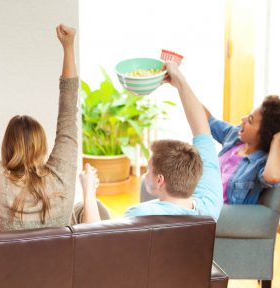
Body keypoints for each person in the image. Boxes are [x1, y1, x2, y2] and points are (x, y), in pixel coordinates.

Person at [0, 24, 78, 232]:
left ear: (6, 146)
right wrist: (68, 47)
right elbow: (68, 113)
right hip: (60, 264)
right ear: (42, 146)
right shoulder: (62, 175)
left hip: (9, 265)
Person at [80, 62, 223, 222]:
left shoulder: (140, 215)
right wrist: (179, 81)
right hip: (192, 247)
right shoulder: (210, 206)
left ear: (160, 180)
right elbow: (202, 130)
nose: (144, 173)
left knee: (89, 209)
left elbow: (94, 243)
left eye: (148, 169)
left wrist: (88, 191)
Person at [205, 96, 280, 204]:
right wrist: (182, 86)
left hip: (217, 216)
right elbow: (208, 120)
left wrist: (276, 141)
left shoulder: (260, 163)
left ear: (263, 135)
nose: (243, 119)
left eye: (250, 120)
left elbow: (273, 177)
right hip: (198, 200)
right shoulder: (235, 137)